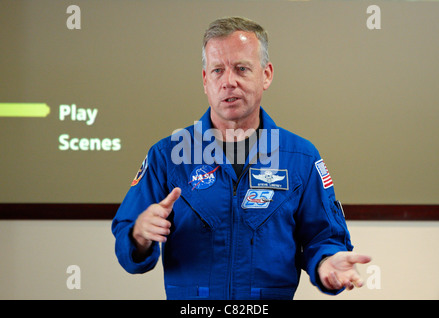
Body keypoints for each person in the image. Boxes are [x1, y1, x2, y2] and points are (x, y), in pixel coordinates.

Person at [112, 16, 371, 300]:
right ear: (205, 80)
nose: (228, 82)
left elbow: (324, 238)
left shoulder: (301, 157)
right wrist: (139, 235)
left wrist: (326, 263)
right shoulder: (167, 155)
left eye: (241, 69)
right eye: (217, 71)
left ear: (266, 75)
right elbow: (127, 242)